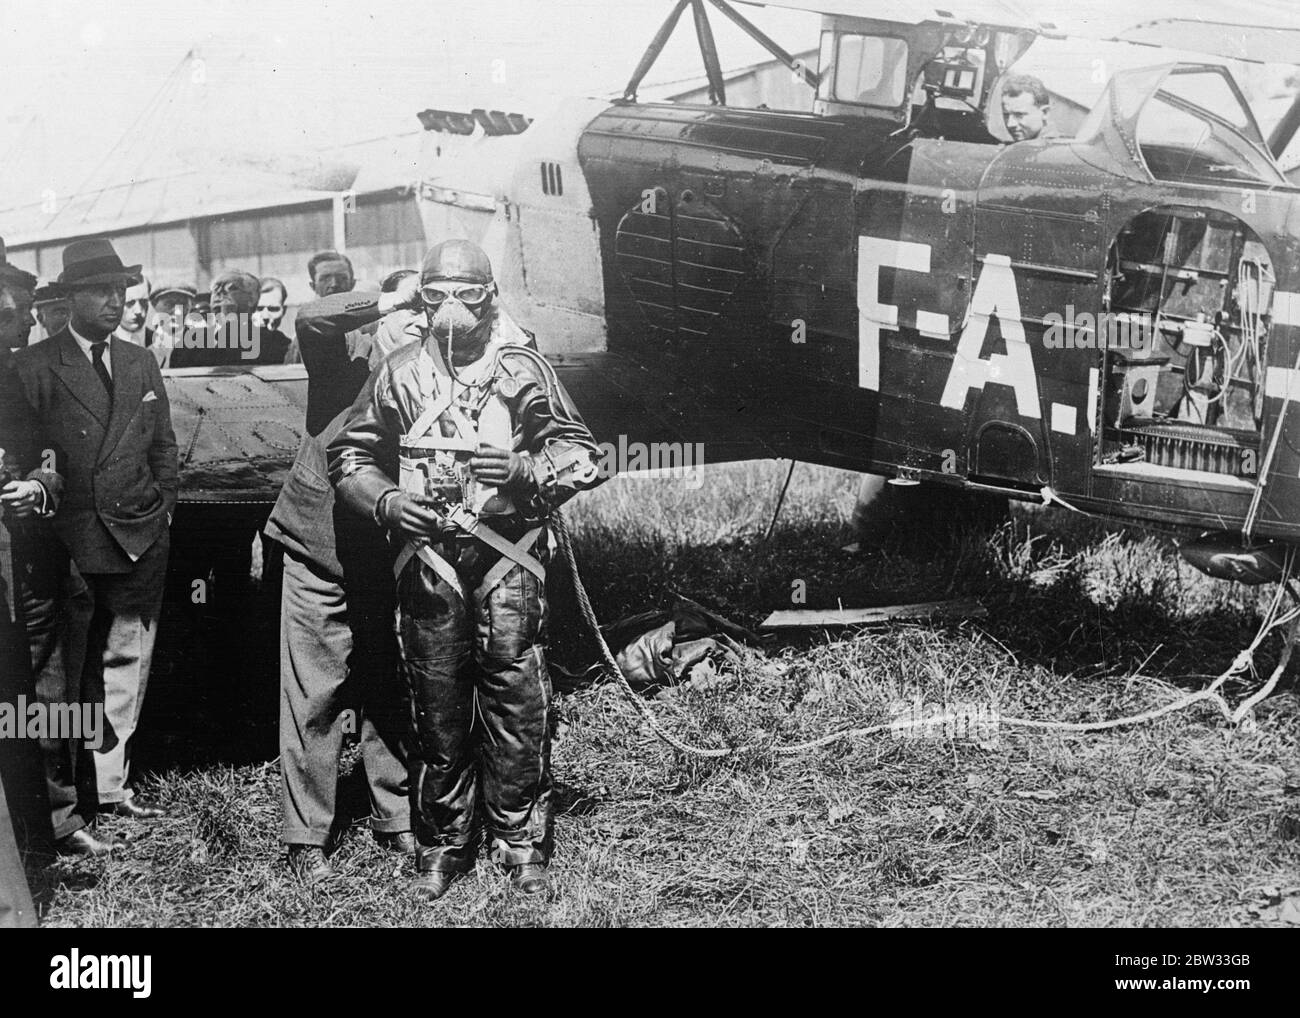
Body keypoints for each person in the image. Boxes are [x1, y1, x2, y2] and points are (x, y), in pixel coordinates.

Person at [329, 239, 603, 900]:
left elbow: (583, 453)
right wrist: (390, 501)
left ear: (490, 296)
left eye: (467, 292)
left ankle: (519, 838)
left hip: (509, 556)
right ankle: (443, 840)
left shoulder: (525, 370)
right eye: (437, 292)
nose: (451, 307)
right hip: (427, 560)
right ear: (420, 296)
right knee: (435, 701)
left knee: (517, 697)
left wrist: (526, 470)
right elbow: (350, 456)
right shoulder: (397, 372)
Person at [10, 237, 178, 821]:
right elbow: (29, 457)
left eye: (122, 290)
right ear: (70, 297)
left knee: (127, 663)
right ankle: (66, 799)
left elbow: (163, 449)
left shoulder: (140, 360)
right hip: (69, 546)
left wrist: (163, 513)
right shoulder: (32, 366)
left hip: (138, 535)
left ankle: (113, 786)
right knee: (62, 677)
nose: (116, 301)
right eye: (101, 291)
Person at [264, 271, 420, 884]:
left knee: (390, 683)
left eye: (429, 308)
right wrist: (391, 298)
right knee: (315, 691)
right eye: (410, 307)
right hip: (318, 548)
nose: (420, 319)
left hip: (386, 556)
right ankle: (307, 836)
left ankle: (397, 816)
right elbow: (312, 318)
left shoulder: (436, 378)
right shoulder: (342, 364)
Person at [169, 270, 289, 367]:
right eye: (216, 290)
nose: (220, 294)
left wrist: (231, 323)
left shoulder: (273, 340)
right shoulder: (193, 337)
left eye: (231, 289)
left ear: (252, 299)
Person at [1000, 74, 1059, 142]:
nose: (1010, 124)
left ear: (1045, 113)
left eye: (1019, 115)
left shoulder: (1056, 150)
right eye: (1006, 115)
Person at [114, 276, 151, 346]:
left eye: (143, 302)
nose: (138, 311)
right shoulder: (104, 344)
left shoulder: (161, 342)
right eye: (130, 303)